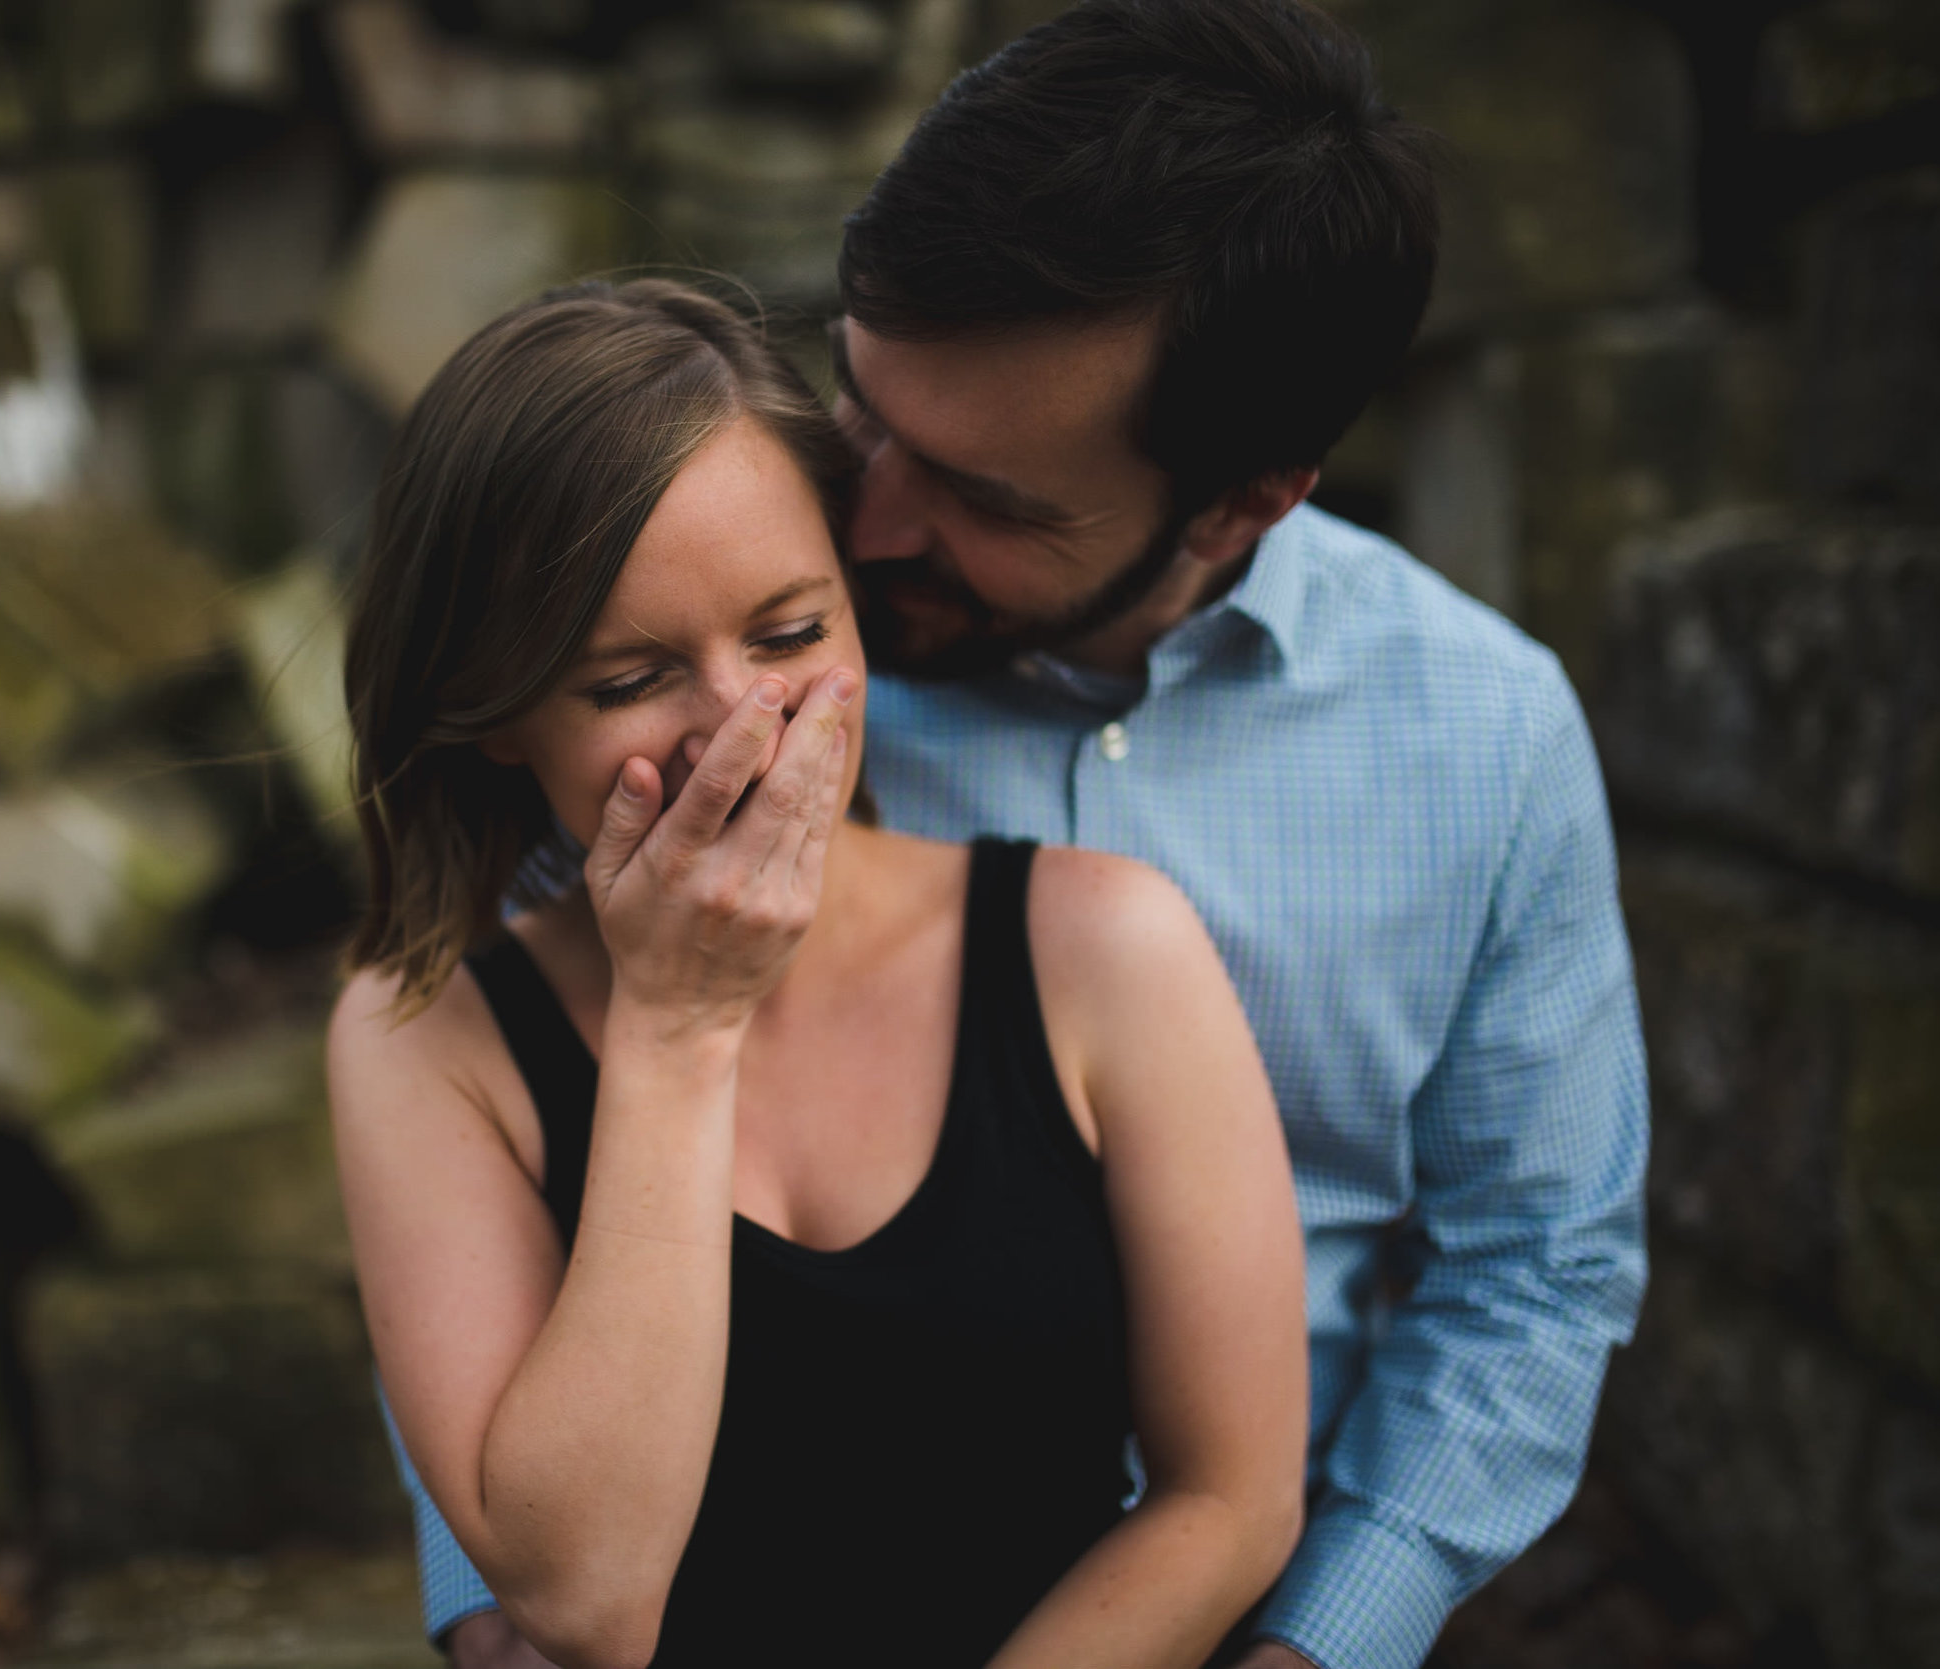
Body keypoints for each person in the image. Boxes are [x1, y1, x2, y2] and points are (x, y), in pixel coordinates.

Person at [400, 2, 1650, 1668]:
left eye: (990, 498)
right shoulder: (754, 666)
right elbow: (515, 1122)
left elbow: (1537, 1270)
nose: (872, 520)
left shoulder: (1487, 742)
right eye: (867, 411)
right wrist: (486, 1585)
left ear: (1243, 500)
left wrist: (1322, 1641)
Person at [329, 278, 1309, 1669]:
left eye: (792, 633)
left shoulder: (1106, 946)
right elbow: (585, 1599)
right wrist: (677, 1025)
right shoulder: (424, 1038)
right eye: (627, 681)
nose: (751, 719)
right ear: (498, 718)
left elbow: (1232, 1498)